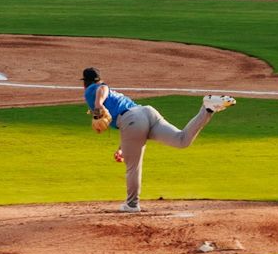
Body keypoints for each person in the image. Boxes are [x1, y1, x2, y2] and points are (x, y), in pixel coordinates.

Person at [83, 66, 234, 213]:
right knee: (181, 140)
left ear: (84, 83)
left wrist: (98, 105)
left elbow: (102, 88)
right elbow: (131, 123)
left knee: (133, 167)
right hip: (147, 113)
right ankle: (207, 109)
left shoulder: (93, 89)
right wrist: (122, 148)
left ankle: (131, 204)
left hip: (132, 120)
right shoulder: (112, 95)